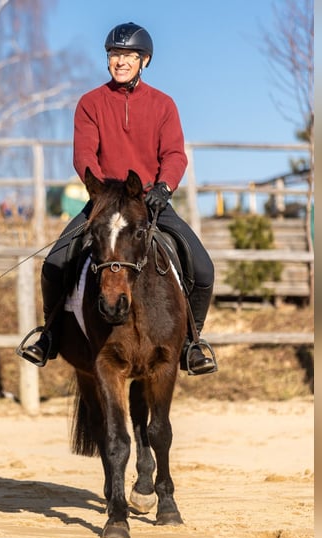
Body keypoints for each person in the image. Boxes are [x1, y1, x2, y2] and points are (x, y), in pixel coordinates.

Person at [20, 22, 216, 375]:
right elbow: (84, 155)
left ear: (144, 60)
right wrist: (99, 192)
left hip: (150, 202)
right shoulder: (90, 103)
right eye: (114, 55)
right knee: (54, 264)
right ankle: (48, 335)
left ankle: (192, 342)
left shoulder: (163, 105)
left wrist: (164, 188)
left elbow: (174, 154)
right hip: (104, 203)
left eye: (128, 55)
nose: (120, 61)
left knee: (202, 269)